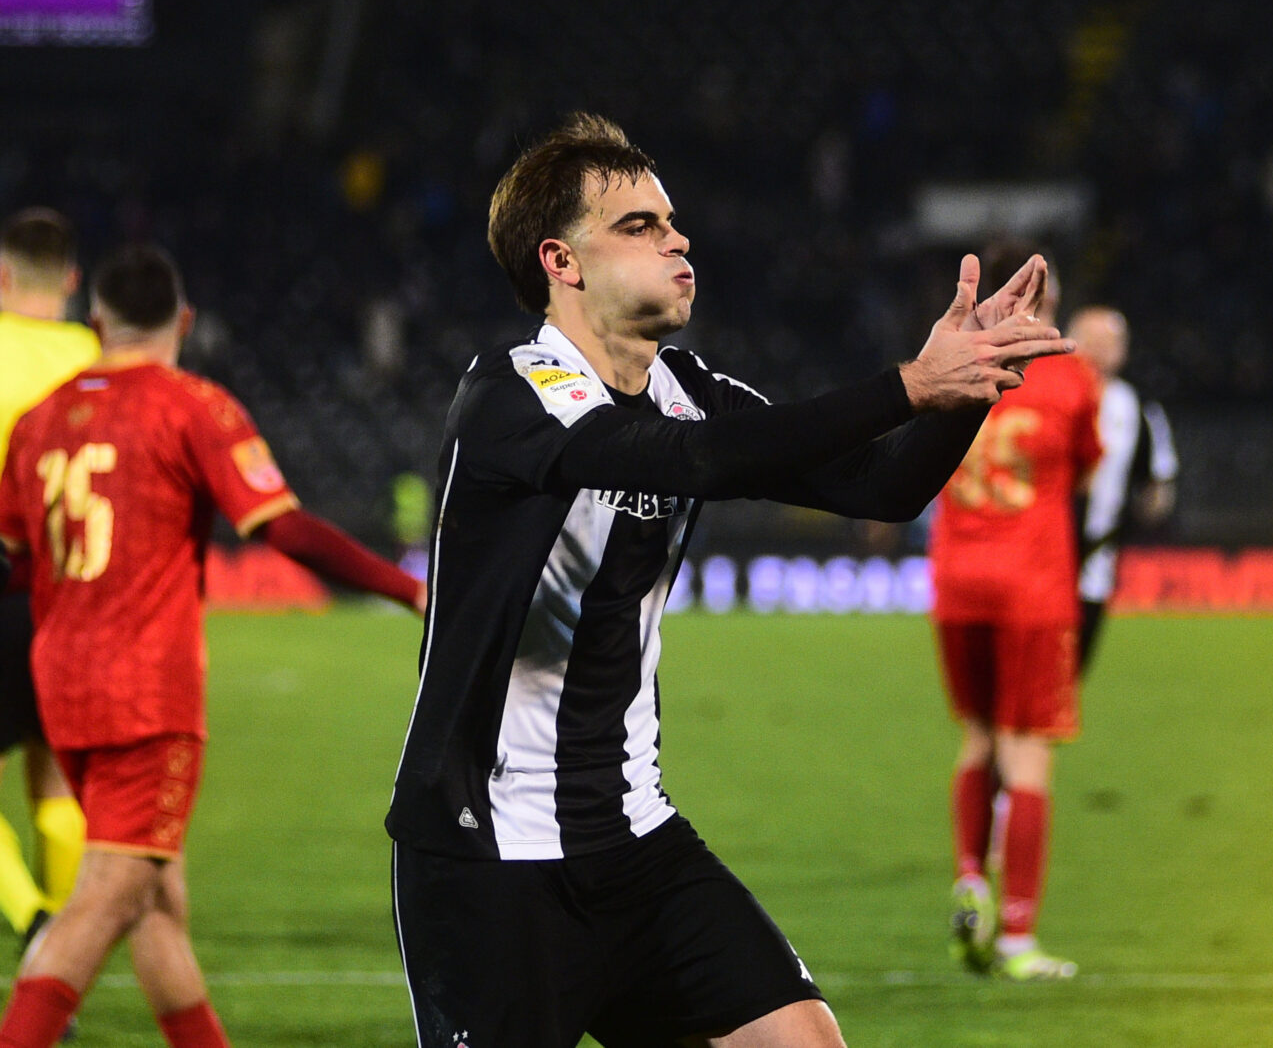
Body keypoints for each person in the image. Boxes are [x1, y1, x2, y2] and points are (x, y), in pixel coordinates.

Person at [385, 112, 1069, 1048]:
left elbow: (883, 486)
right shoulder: (511, 393)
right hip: (491, 853)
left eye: (673, 222)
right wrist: (908, 383)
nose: (677, 241)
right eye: (639, 226)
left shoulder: (687, 388)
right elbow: (690, 460)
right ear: (561, 261)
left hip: (635, 837)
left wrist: (965, 387)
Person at [0, 244, 427, 1048]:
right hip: (144, 693)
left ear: (98, 323)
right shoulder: (191, 405)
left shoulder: (39, 420)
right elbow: (283, 528)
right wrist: (409, 589)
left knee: (158, 905)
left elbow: (18, 563)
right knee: (106, 898)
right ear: (184, 321)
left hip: (61, 687)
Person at [927, 241, 1103, 981]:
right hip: (1032, 585)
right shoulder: (1069, 376)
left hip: (957, 580)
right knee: (1027, 753)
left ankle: (972, 874)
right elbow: (1086, 470)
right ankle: (1017, 937)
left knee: (977, 738)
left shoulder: (954, 362)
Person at [0, 208, 94, 952]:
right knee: (58, 776)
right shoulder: (98, 358)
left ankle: (29, 915)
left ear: (2, 276)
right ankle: (60, 951)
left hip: (5, 582)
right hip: (81, 596)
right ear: (71, 281)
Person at [1067, 307, 1178, 672]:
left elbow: (1157, 486)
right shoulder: (1048, 394)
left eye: (1112, 342)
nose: (1102, 350)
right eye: (1093, 340)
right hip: (1037, 556)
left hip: (1096, 563)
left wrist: (1126, 528)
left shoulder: (1137, 407)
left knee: (1070, 673)